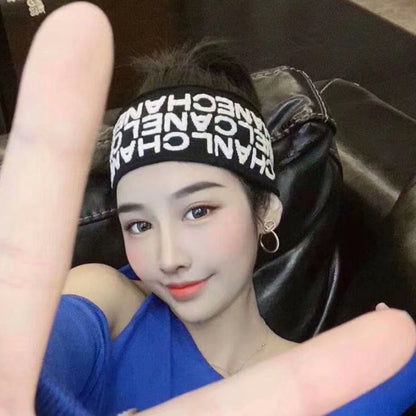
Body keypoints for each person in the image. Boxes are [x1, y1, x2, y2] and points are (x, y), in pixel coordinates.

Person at [1, 3, 416, 416]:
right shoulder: (107, 303)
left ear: (265, 210)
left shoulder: (331, 385)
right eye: (139, 224)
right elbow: (38, 361)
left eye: (198, 211)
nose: (168, 259)